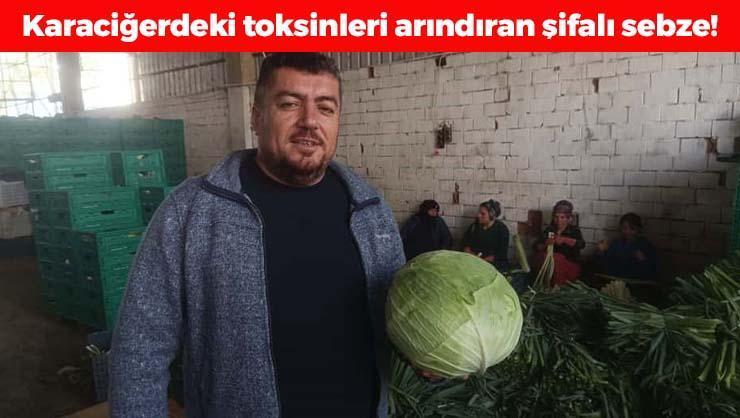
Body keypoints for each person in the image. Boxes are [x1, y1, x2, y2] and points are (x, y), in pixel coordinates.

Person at [109, 53, 406, 418]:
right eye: (289, 104)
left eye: (325, 108)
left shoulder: (371, 212)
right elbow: (140, 349)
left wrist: (427, 353)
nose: (309, 121)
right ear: (256, 117)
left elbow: (399, 319)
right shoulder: (190, 213)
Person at [533, 200, 585, 286]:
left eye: (562, 217)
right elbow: (535, 246)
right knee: (540, 257)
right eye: (556, 217)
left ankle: (557, 287)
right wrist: (546, 243)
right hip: (550, 267)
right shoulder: (549, 230)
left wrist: (565, 240)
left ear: (568, 218)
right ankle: (544, 284)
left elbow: (581, 244)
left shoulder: (574, 231)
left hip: (569, 266)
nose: (559, 220)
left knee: (557, 258)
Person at [596, 213, 657, 280]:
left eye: (632, 229)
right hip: (614, 281)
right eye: (624, 228)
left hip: (636, 282)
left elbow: (653, 271)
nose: (628, 232)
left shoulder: (645, 245)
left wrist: (643, 260)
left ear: (639, 229)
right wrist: (600, 252)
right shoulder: (616, 243)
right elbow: (604, 266)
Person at [461, 199, 510, 271]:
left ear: (492, 216)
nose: (478, 215)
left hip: (492, 265)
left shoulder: (502, 230)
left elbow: (501, 254)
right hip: (473, 260)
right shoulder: (475, 226)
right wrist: (473, 256)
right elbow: (465, 244)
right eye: (479, 212)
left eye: (483, 214)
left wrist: (481, 261)